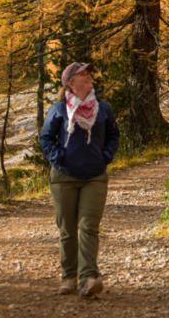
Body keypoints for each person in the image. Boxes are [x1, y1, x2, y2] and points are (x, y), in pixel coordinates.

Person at [40, 61, 120, 297]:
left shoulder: (103, 108)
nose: (89, 78)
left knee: (88, 227)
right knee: (67, 229)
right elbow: (46, 138)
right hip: (64, 176)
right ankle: (68, 277)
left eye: (89, 75)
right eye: (83, 76)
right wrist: (58, 158)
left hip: (94, 177)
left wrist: (105, 157)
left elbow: (113, 135)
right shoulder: (58, 109)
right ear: (71, 84)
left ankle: (88, 278)